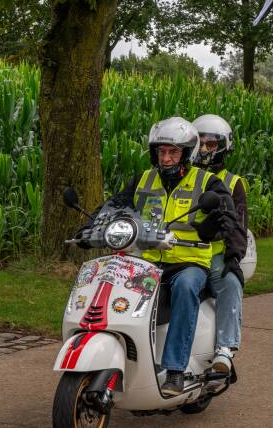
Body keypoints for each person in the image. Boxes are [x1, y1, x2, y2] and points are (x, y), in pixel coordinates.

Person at [75, 117, 245, 396]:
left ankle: (175, 370)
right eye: (161, 152)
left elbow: (229, 218)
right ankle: (122, 357)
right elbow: (114, 204)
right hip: (147, 262)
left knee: (186, 286)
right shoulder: (143, 179)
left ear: (187, 153)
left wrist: (230, 251)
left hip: (189, 263)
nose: (165, 158)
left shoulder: (207, 182)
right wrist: (90, 227)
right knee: (113, 280)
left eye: (173, 152)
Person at [192, 114, 248, 375]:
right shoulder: (183, 177)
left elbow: (239, 225)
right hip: (177, 251)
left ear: (223, 147)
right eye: (200, 143)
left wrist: (233, 257)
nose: (204, 150)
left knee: (229, 282)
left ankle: (225, 348)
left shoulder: (232, 183)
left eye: (210, 145)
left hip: (213, 254)